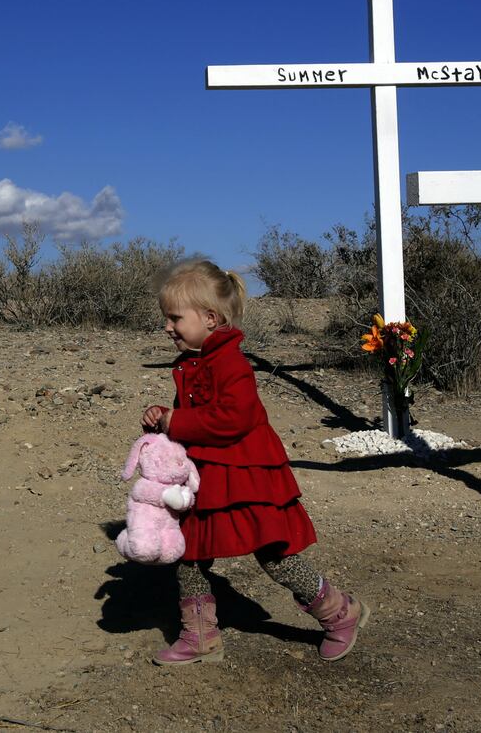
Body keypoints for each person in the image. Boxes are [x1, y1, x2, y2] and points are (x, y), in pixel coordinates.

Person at [141, 258, 367, 665]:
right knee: (188, 551)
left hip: (246, 476)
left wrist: (181, 420)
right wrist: (165, 417)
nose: (167, 327)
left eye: (174, 318)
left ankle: (339, 612)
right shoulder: (194, 361)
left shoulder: (231, 363)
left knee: (274, 554)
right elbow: (193, 416)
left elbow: (234, 418)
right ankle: (200, 635)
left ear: (210, 318)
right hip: (206, 475)